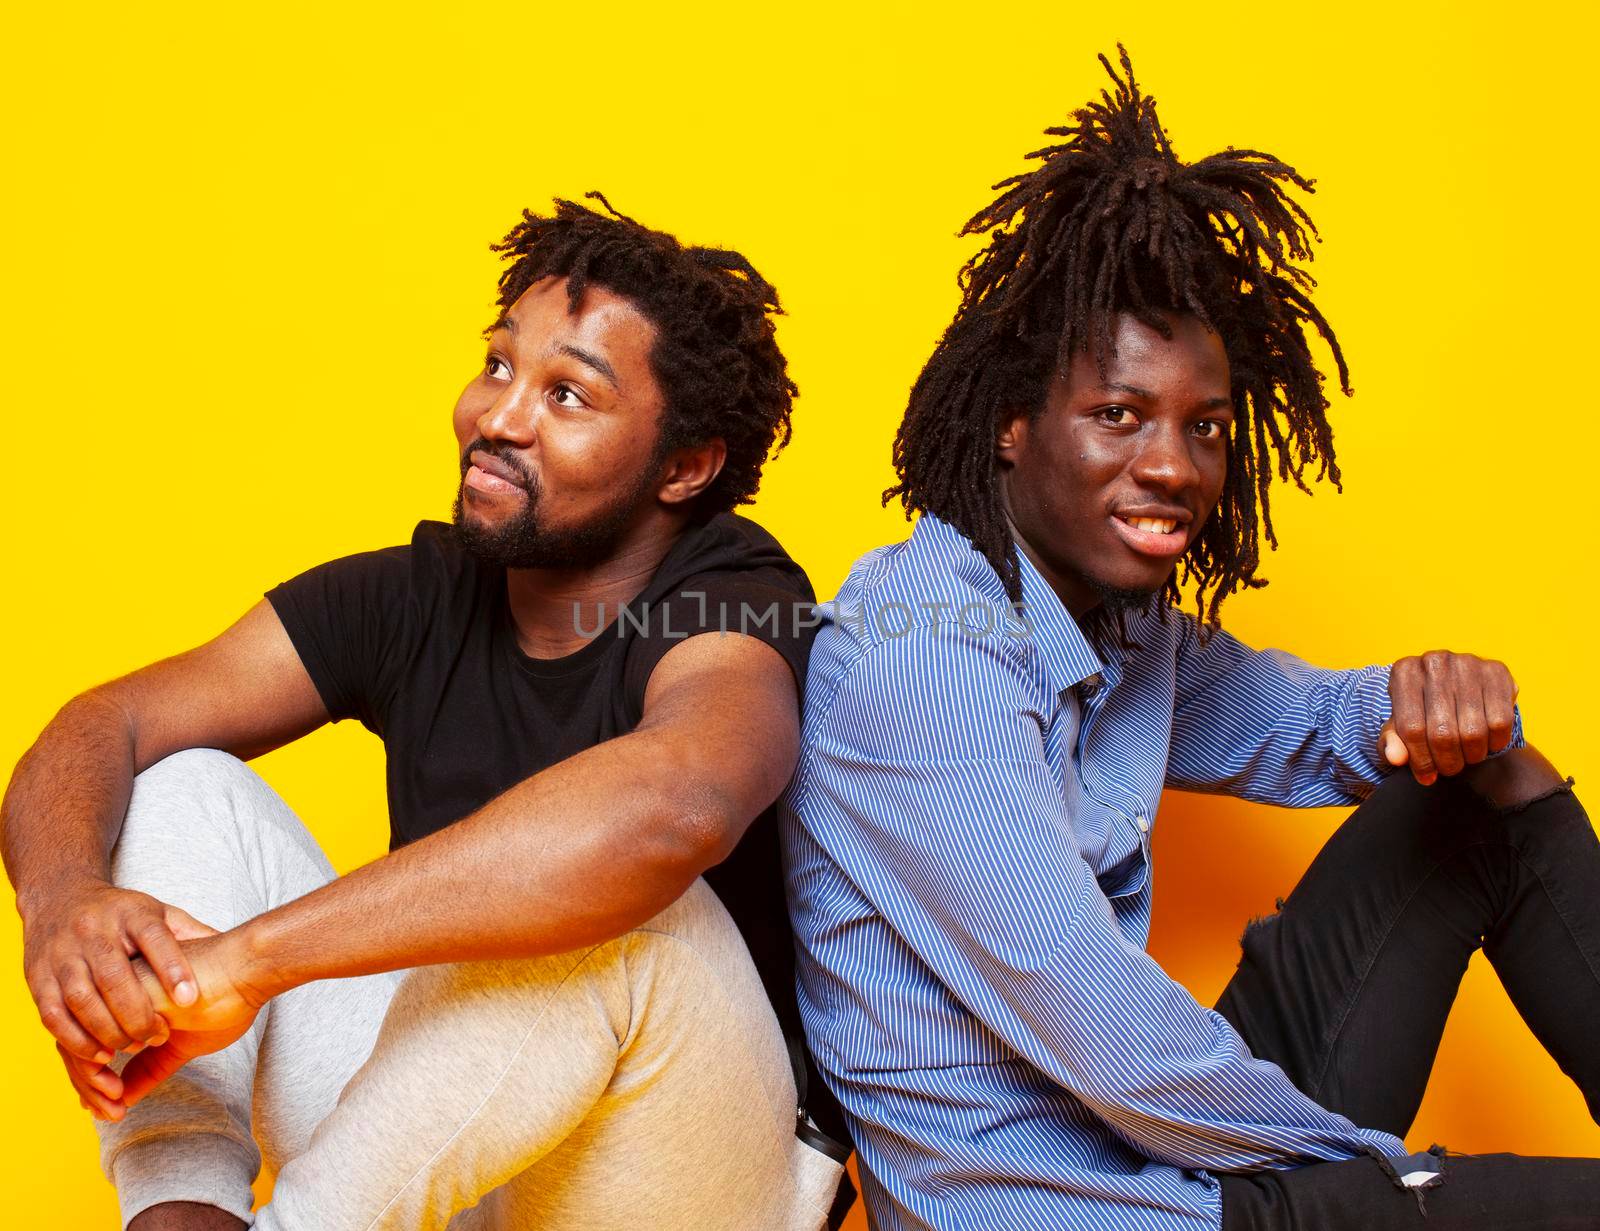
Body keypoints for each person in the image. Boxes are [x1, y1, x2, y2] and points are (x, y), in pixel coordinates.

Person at [780, 48, 1600, 1230]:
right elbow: (1114, 1048)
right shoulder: (921, 656)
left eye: (1203, 427)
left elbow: (1320, 726)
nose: (1171, 466)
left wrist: (1448, 703)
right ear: (1010, 427)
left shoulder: (1118, 626)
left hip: (1171, 1157)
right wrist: (1385, 1177)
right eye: (1116, 415)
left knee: (1477, 781)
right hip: (1074, 1204)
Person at [3, 195, 850, 1231]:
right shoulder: (420, 591)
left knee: (627, 900)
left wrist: (253, 959)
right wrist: (62, 904)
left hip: (677, 1172)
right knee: (180, 785)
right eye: (498, 365)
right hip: (438, 1137)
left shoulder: (735, 593)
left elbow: (677, 808)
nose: (498, 416)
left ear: (685, 465)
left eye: (568, 395)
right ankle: (185, 1214)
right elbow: (105, 724)